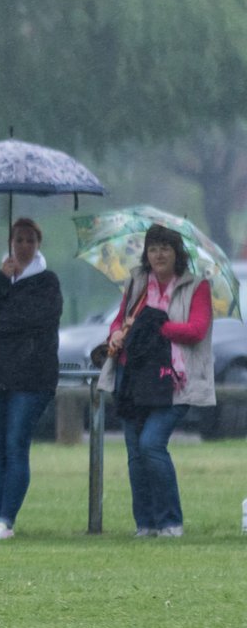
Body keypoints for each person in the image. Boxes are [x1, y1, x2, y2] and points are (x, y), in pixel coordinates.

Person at [98, 223, 213, 538]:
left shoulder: (195, 287)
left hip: (174, 380)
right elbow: (120, 321)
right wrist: (117, 333)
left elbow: (196, 330)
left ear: (177, 253)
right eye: (153, 248)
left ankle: (170, 521)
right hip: (133, 376)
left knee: (151, 444)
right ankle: (145, 523)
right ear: (146, 254)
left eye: (165, 248)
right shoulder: (136, 283)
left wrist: (154, 326)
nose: (159, 254)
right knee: (135, 452)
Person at [0, 218, 63, 540]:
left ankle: (7, 518)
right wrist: (0, 283)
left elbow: (34, 319)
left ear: (37, 245)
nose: (23, 246)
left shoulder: (47, 283)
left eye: (29, 241)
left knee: (16, 444)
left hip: (31, 377)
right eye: (18, 240)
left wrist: (0, 322)